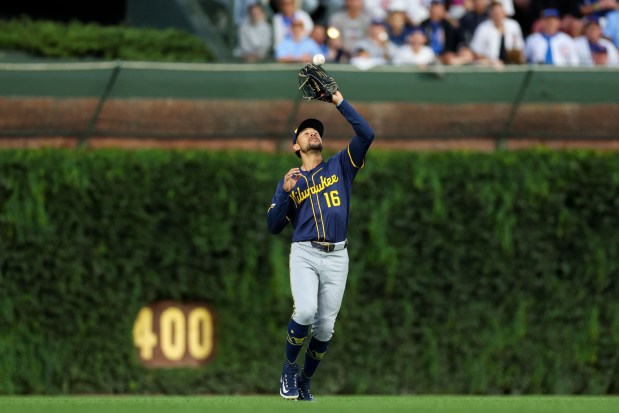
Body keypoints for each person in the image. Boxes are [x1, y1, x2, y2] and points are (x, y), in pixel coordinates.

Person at [267, 88, 375, 402]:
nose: (312, 132)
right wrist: (286, 194)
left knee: (325, 330)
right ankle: (288, 369)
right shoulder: (290, 179)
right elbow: (273, 227)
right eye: (304, 131)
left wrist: (337, 100)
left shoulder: (341, 165)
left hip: (338, 255)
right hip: (304, 252)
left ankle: (304, 381)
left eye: (316, 130)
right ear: (295, 145)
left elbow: (367, 134)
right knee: (306, 311)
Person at [470, 1, 525, 66]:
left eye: (499, 10)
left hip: (511, 67)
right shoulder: (483, 28)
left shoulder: (514, 26)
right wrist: (491, 62)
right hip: (488, 68)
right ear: (490, 13)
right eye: (494, 10)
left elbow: (520, 50)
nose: (497, 13)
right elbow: (476, 53)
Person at [421, 0, 474, 64]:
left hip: (445, 55)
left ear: (443, 10)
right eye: (434, 8)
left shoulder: (448, 25)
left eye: (439, 8)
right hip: (428, 55)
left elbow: (458, 40)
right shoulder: (423, 25)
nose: (436, 11)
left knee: (459, 57)